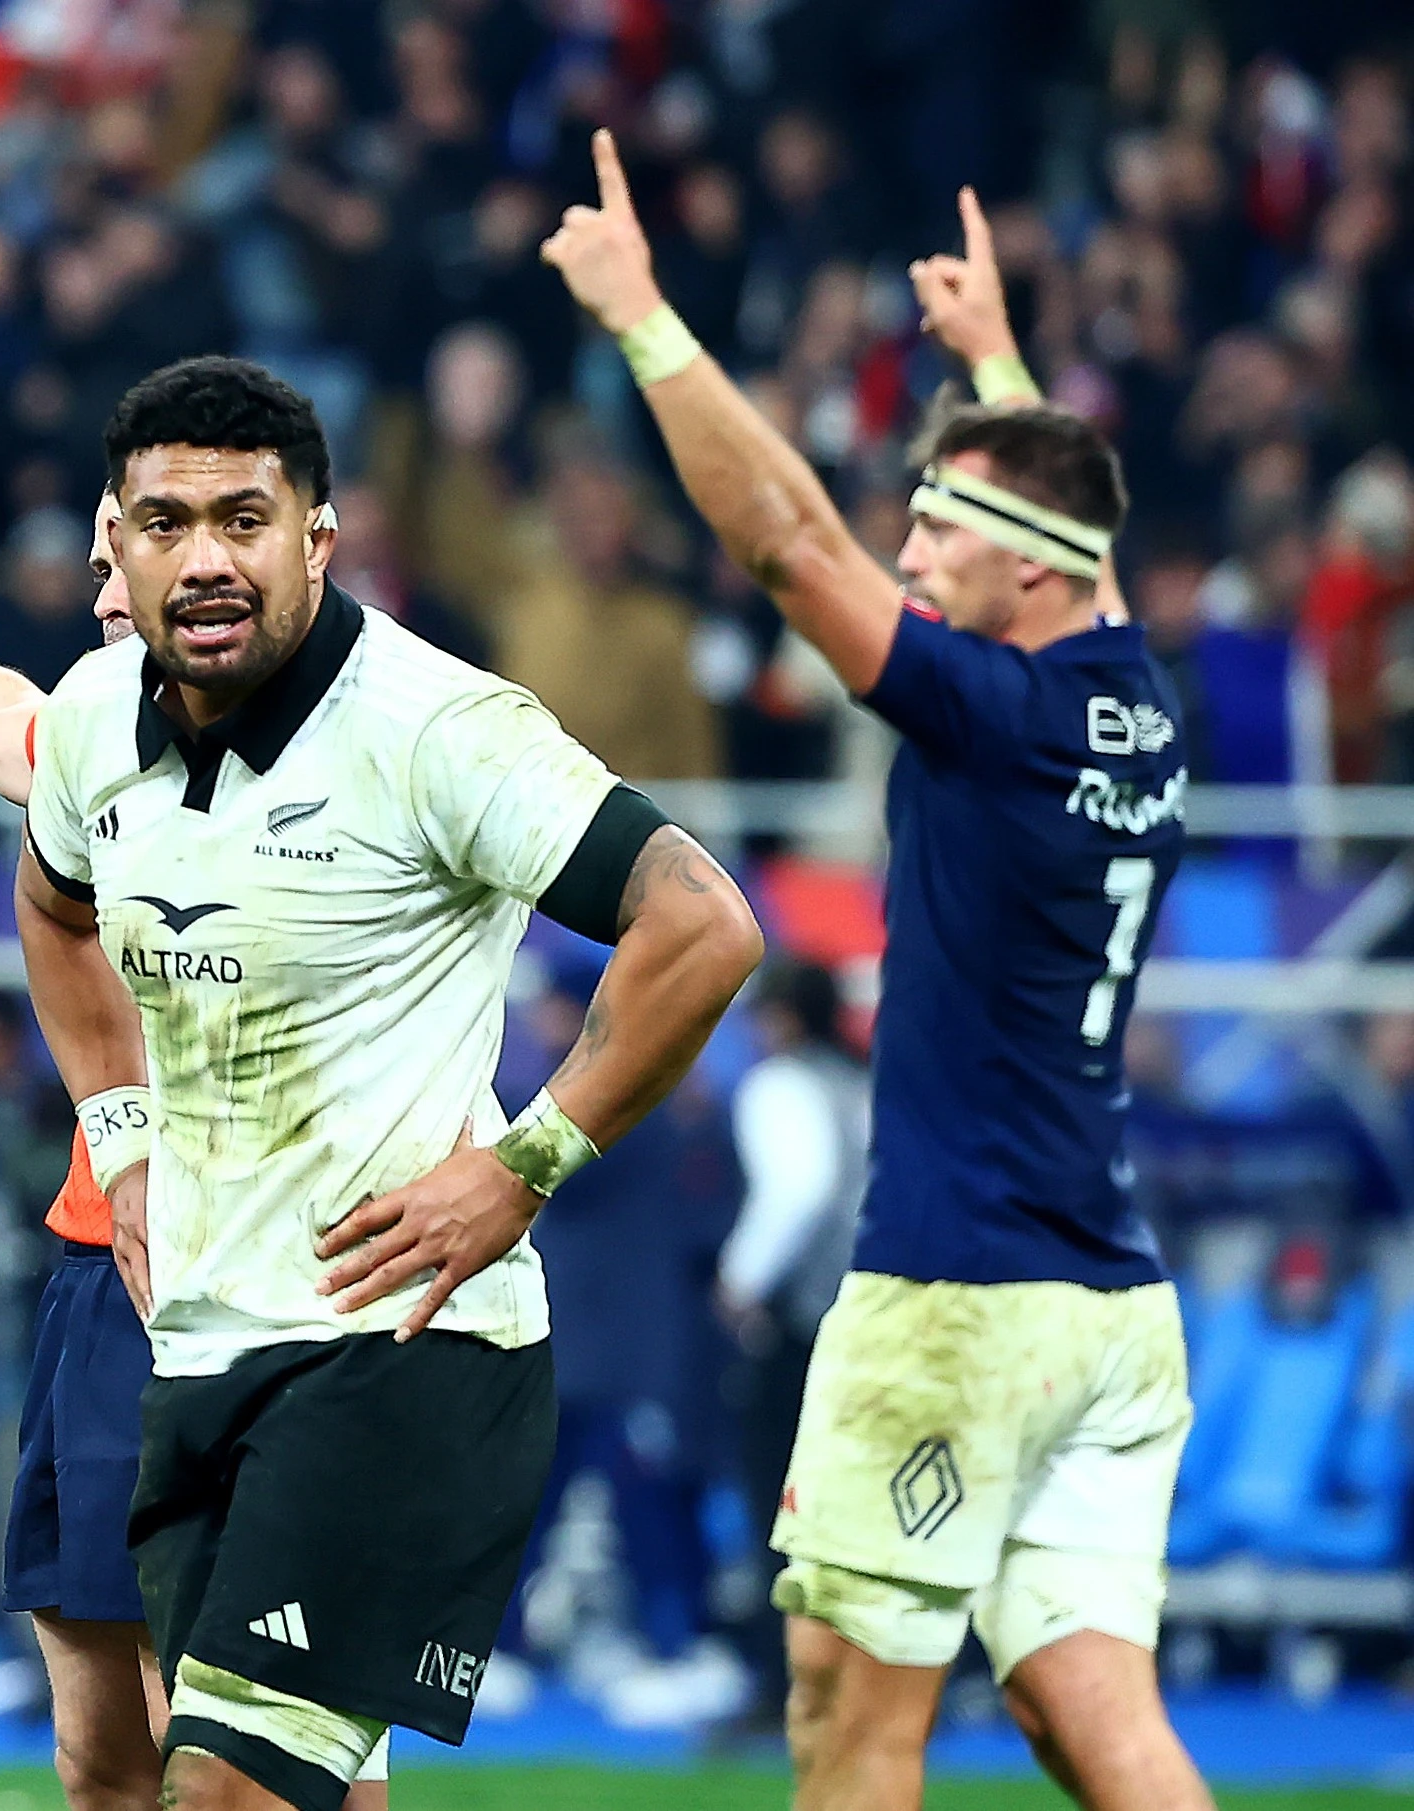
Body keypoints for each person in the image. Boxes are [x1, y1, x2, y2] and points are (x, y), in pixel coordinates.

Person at [545, 133, 1207, 1811]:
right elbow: (1075, 526)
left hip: (956, 1304)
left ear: (1027, 568)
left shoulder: (986, 717)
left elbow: (782, 540)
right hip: (1112, 1316)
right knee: (1094, 1726)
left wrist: (644, 323)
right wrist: (993, 361)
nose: (907, 556)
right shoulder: (1131, 693)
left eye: (938, 531)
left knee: (851, 1729)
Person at [16, 354, 764, 1811]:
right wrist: (122, 1136)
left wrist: (526, 1161)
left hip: (403, 1344)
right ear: (112, 545)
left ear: (320, 536)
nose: (207, 556)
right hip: (207, 1335)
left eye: (247, 516)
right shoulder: (94, 717)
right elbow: (54, 909)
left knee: (218, 1790)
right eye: (166, 522)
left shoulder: (436, 726)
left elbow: (705, 922)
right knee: (269, 1778)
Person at [0, 495, 394, 1808]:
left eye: (148, 549)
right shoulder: (100, 741)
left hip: (270, 1277)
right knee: (101, 1744)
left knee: (257, 1735)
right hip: (99, 1262)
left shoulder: (355, 762)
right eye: (106, 554)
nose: (112, 582)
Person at [713, 960, 869, 1731]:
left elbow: (798, 1188)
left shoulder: (781, 1086)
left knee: (783, 1508)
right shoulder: (868, 1085)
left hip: (805, 1325)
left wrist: (738, 1278)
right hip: (884, 1318)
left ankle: (785, 1686)